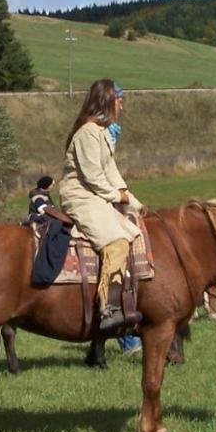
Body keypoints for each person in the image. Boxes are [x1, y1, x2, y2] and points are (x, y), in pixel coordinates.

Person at [59, 79, 143, 331]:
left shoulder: (101, 133)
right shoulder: (86, 132)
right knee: (116, 242)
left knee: (135, 228)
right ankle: (109, 307)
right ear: (107, 101)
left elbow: (112, 172)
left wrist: (136, 204)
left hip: (94, 194)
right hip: (80, 196)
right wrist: (118, 197)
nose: (122, 107)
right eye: (119, 101)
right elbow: (94, 176)